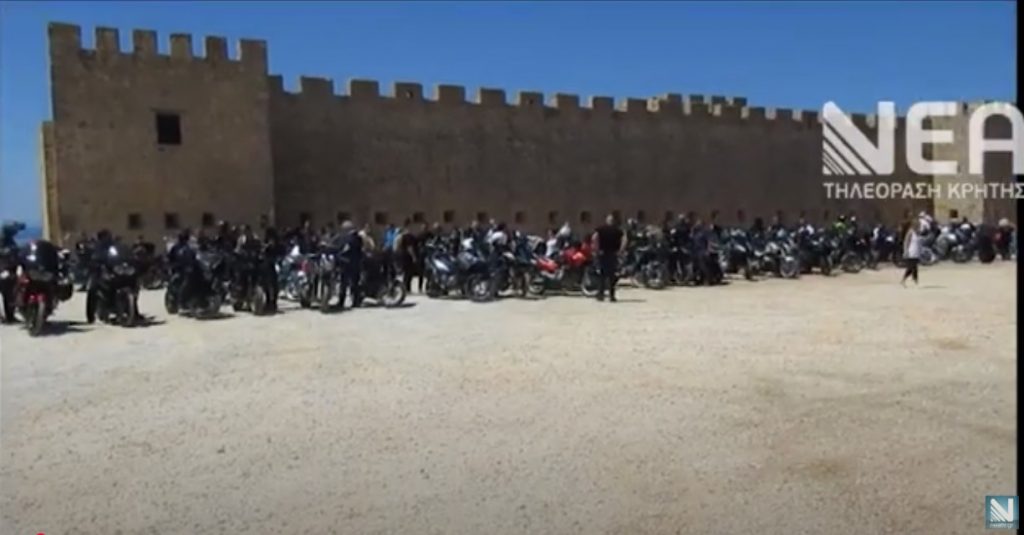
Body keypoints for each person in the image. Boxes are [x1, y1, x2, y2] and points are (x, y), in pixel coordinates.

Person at [591, 214, 626, 302]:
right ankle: (612, 296)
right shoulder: (618, 231)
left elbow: (594, 238)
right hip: (613, 254)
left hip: (603, 253)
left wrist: (596, 250)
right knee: (612, 276)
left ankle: (601, 295)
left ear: (607, 221)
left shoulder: (601, 229)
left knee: (602, 275)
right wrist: (620, 251)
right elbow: (624, 240)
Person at [337, 220, 364, 309]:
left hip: (349, 263)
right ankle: (354, 301)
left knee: (347, 283)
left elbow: (348, 249)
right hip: (353, 263)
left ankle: (345, 301)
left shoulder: (352, 238)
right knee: (352, 283)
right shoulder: (356, 237)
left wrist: (341, 254)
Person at [901, 219, 921, 287]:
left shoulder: (918, 232)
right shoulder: (910, 232)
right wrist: (905, 251)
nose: (918, 226)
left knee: (915, 267)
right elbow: (906, 242)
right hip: (911, 252)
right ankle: (904, 279)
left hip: (916, 252)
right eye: (917, 225)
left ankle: (915, 280)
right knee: (910, 267)